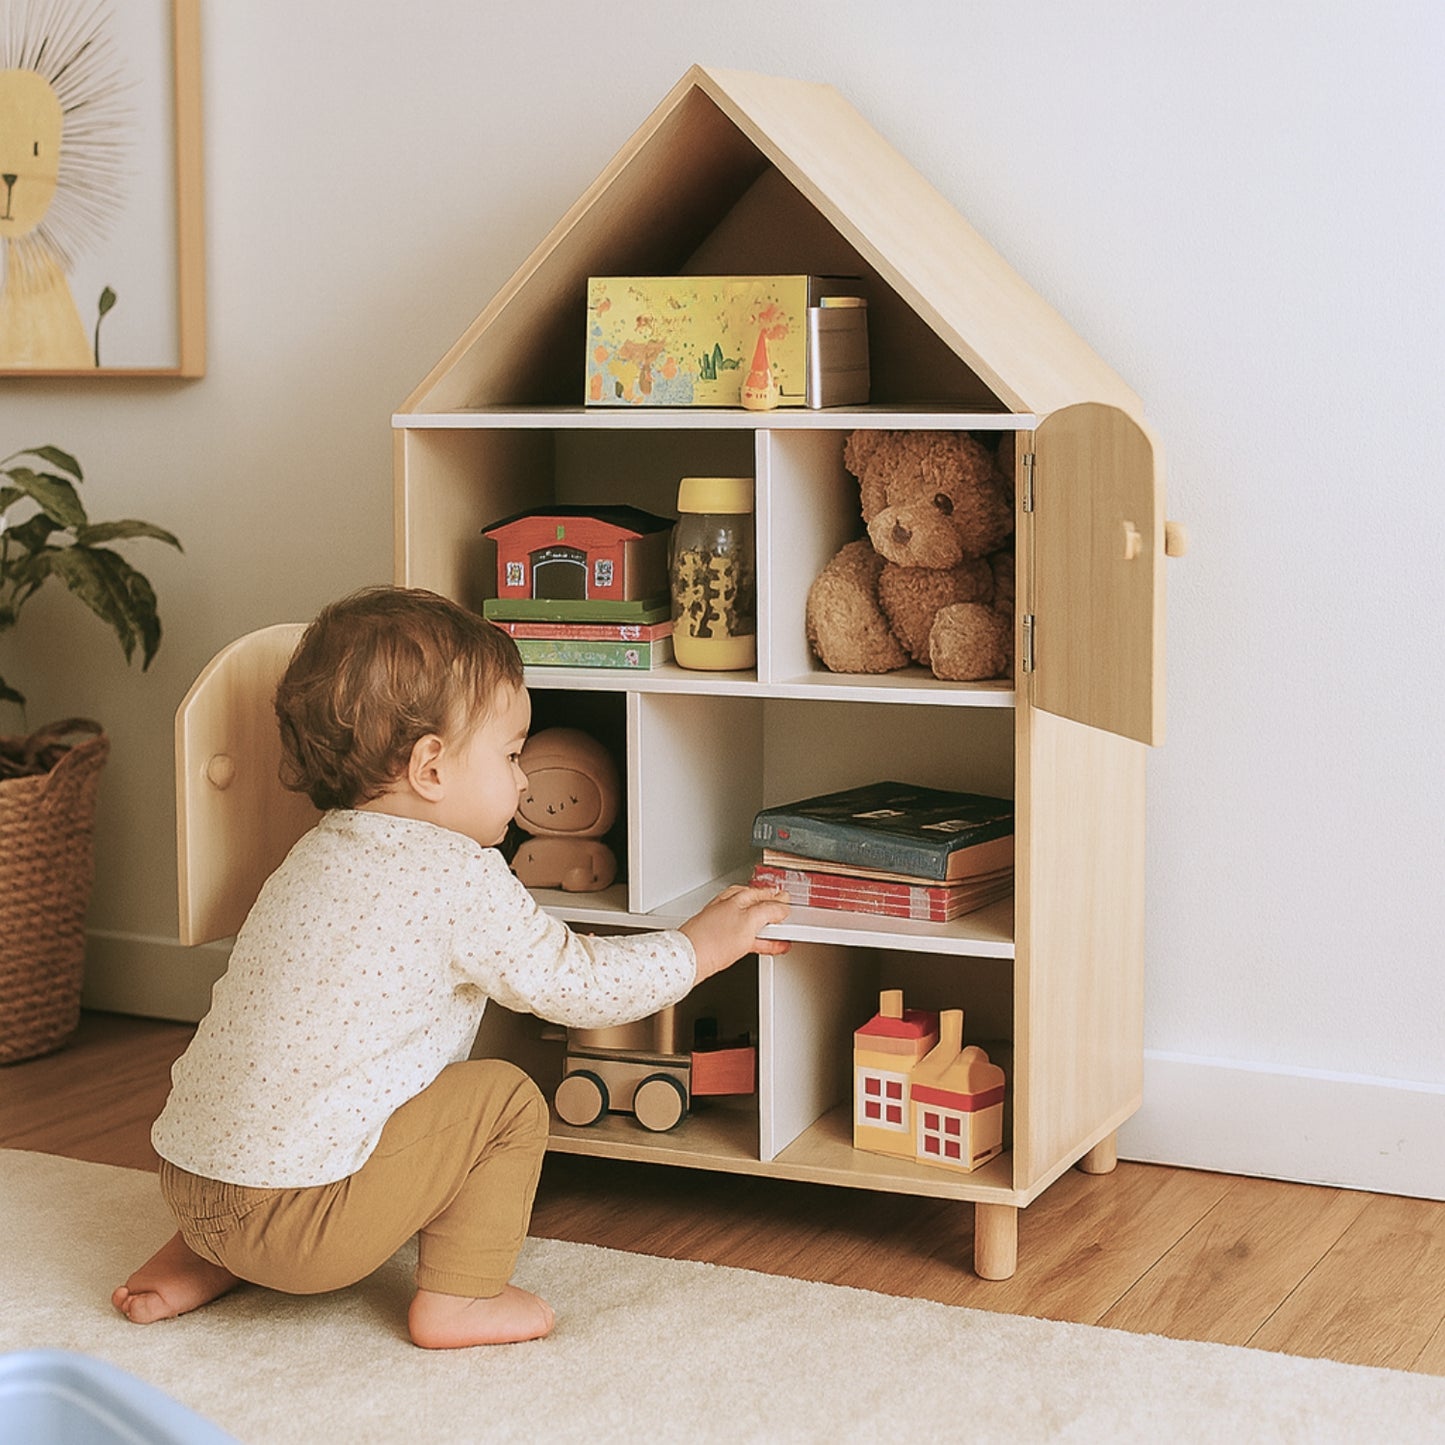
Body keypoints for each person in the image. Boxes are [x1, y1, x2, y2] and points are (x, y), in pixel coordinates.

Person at [112, 586, 790, 1348]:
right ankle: (461, 1299)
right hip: (299, 1227)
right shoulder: (456, 871)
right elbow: (575, 985)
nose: (525, 780)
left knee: (282, 1098)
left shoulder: (312, 854)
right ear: (430, 767)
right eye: (509, 755)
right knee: (503, 1099)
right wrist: (699, 945)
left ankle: (203, 1253)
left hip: (189, 1178)